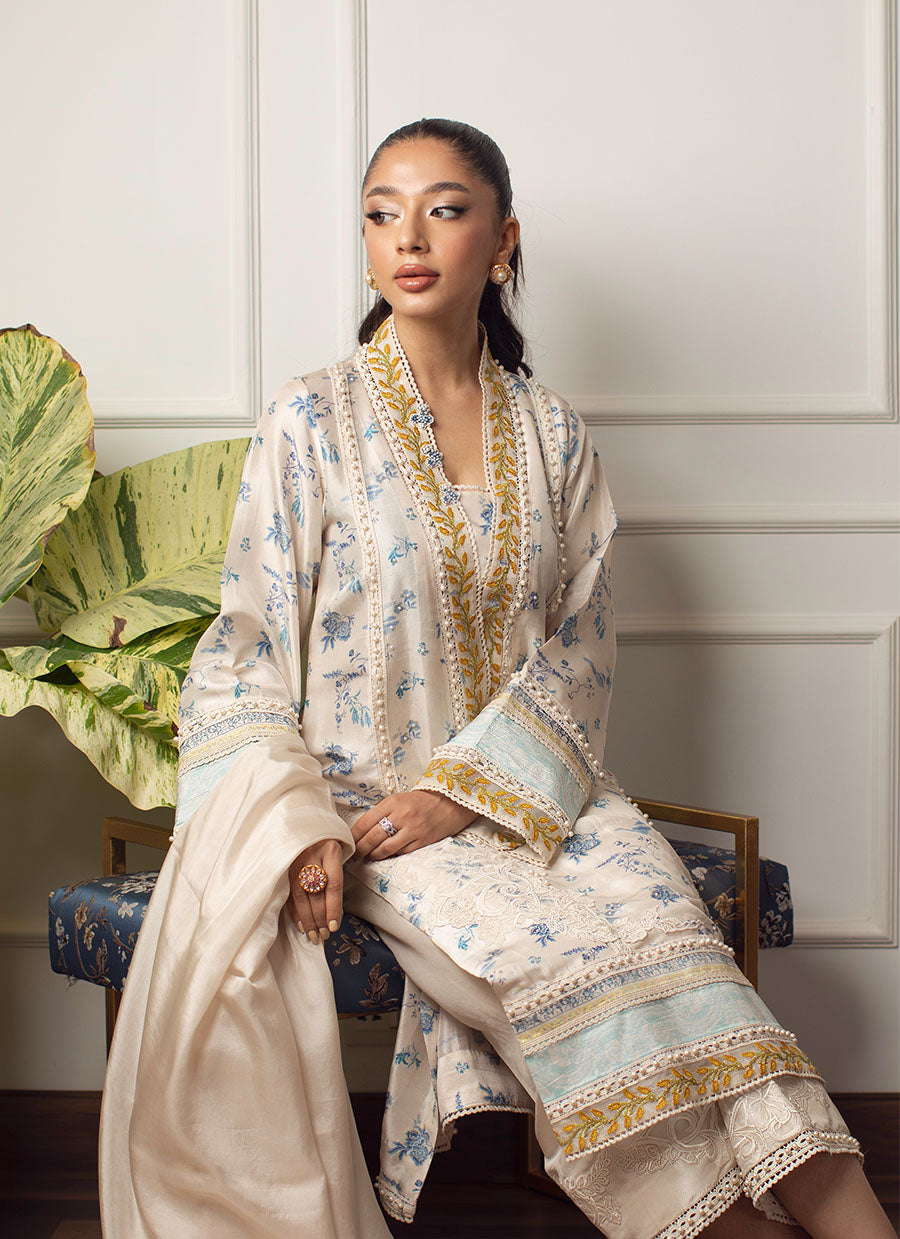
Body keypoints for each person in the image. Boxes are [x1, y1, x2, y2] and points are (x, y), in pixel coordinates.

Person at [99, 118, 894, 1239]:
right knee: (585, 1012)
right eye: (381, 214)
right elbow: (245, 652)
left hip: (550, 803)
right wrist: (299, 826)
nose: (408, 238)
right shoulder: (310, 421)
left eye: (444, 209)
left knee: (707, 1001)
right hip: (378, 823)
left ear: (503, 239)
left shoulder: (554, 435)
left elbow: (582, 649)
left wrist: (465, 791)